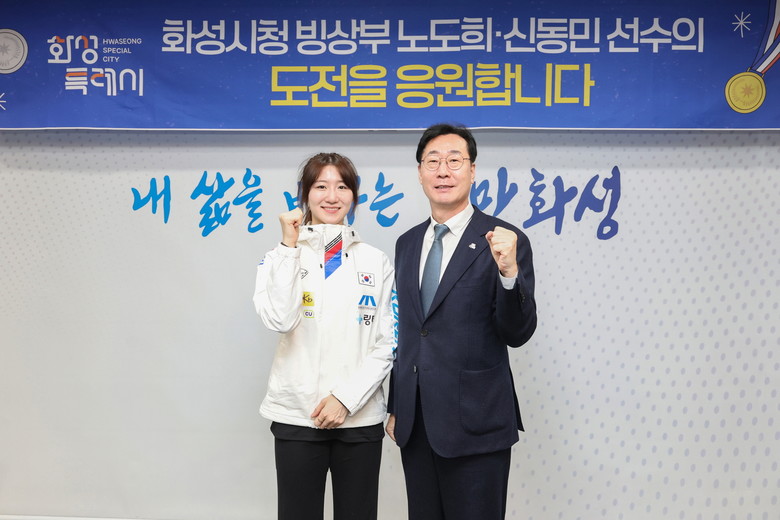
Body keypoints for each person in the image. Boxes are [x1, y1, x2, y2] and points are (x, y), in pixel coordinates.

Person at [385, 124, 537, 520]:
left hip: (476, 422)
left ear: (472, 171)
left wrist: (508, 272)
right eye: (432, 162)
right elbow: (408, 332)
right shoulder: (406, 243)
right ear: (420, 172)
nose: (443, 171)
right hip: (416, 423)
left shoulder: (503, 240)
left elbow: (517, 332)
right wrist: (398, 403)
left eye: (455, 161)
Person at [253, 152, 395, 520]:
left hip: (359, 417)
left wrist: (345, 399)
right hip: (298, 415)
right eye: (321, 186)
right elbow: (279, 319)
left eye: (342, 187)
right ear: (305, 194)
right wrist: (288, 247)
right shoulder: (279, 257)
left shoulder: (376, 261)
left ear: (354, 196)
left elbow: (389, 341)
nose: (332, 196)